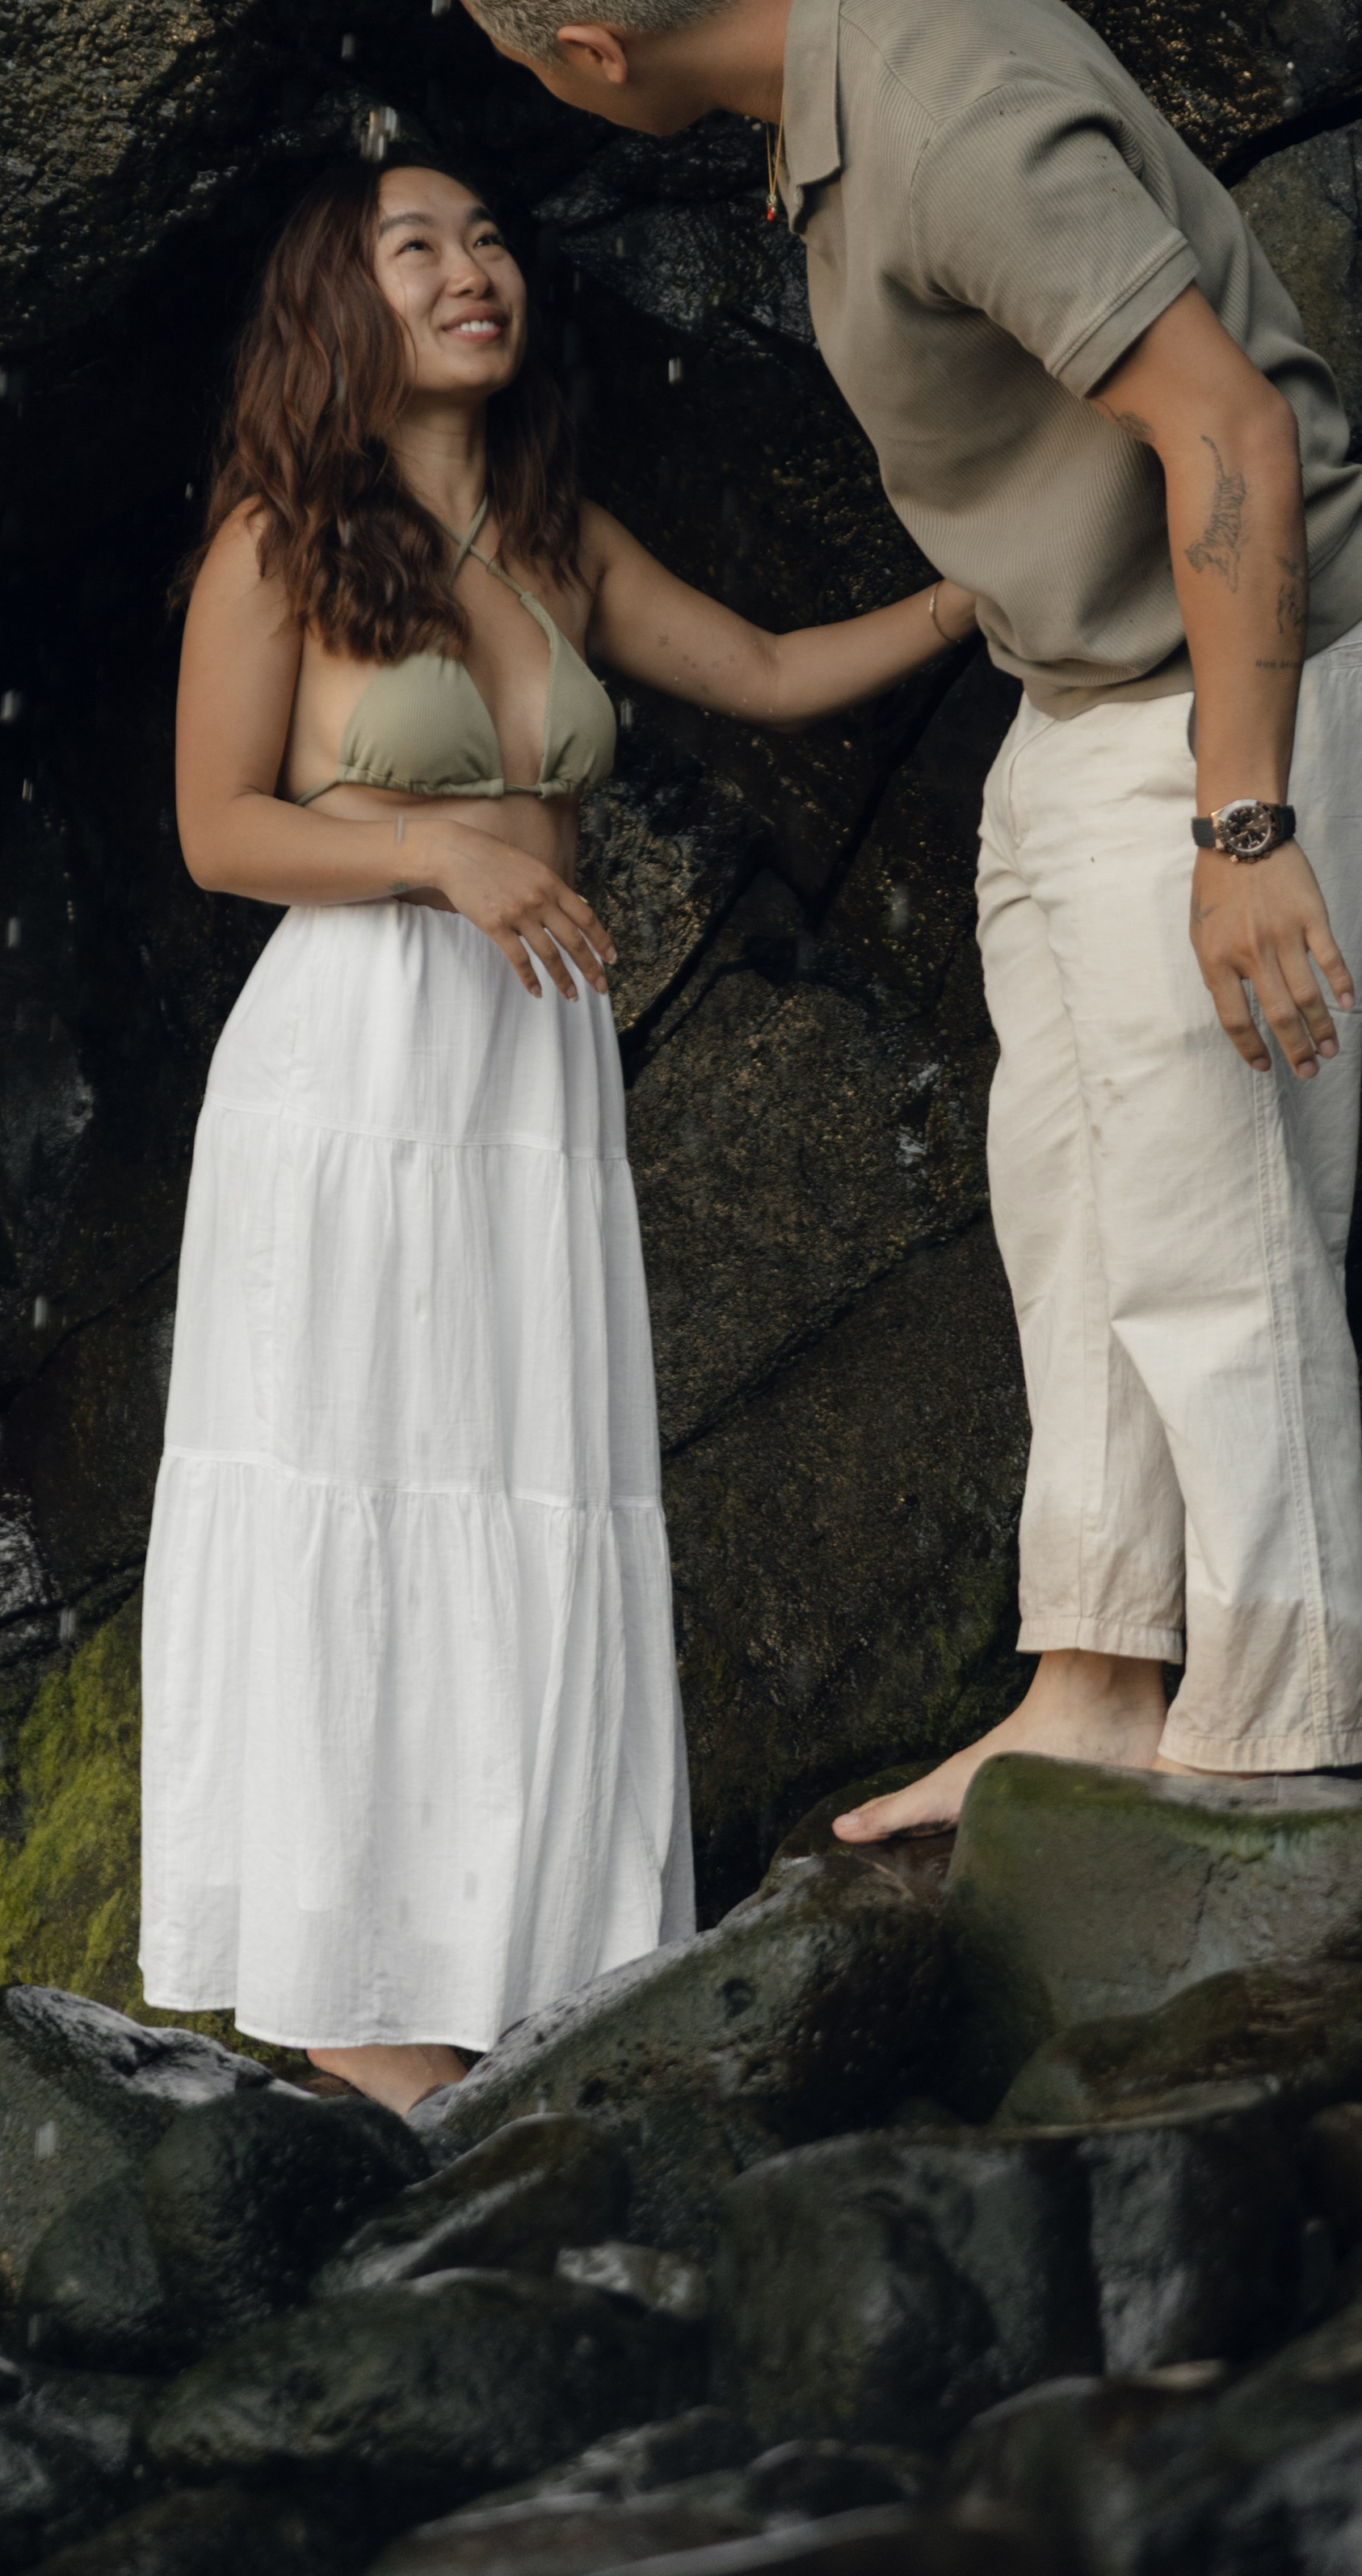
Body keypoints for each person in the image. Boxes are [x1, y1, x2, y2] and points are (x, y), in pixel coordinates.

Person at [422, 0, 1362, 1832]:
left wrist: (1241, 831)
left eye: (515, 57)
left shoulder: (938, 93)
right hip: (1081, 697)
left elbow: (1220, 426)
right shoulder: (843, 75)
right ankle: (1087, 1685)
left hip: (1228, 697)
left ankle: (1275, 1740)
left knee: (1207, 1231)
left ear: (590, 57)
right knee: (1074, 1217)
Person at [142, 149, 980, 2106]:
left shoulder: (553, 533)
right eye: (413, 247)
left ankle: (516, 1983)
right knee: (360, 1486)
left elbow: (769, 675)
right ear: (333, 317)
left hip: (527, 1083)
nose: (470, 267)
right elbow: (213, 832)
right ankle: (362, 2020)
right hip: (351, 1076)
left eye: (488, 230)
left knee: (525, 1491)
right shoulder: (275, 542)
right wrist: (436, 846)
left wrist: (970, 598)